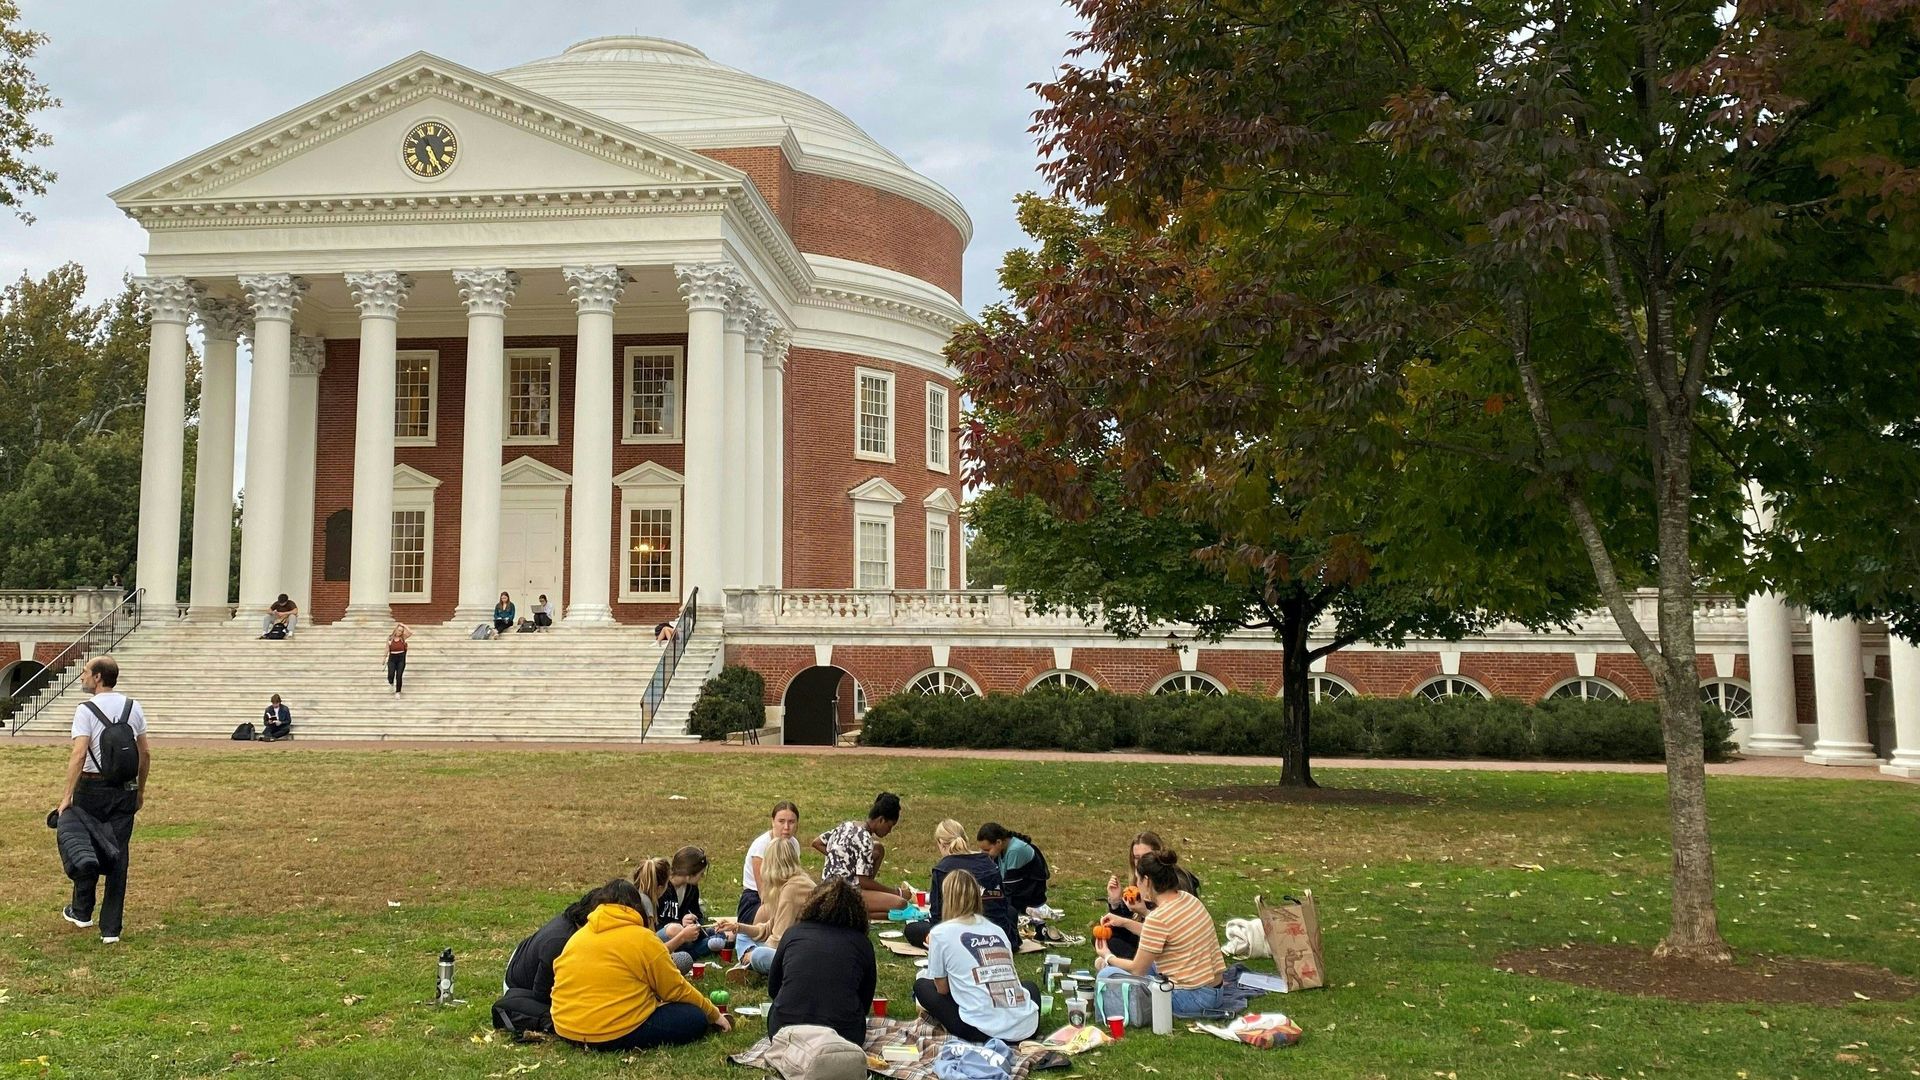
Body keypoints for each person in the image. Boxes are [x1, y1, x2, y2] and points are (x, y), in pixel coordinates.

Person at [550, 879, 731, 1050]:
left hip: (565, 1027)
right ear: (637, 908)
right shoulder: (643, 938)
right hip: (609, 1032)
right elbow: (675, 989)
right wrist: (712, 1013)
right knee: (695, 1017)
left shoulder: (578, 937)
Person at [57, 656, 149, 945]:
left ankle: (82, 911)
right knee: (118, 855)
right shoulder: (133, 708)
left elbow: (79, 754)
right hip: (124, 790)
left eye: (85, 672)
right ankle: (111, 930)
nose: (82, 677)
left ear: (98, 677)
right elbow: (145, 754)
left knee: (84, 848)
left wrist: (67, 795)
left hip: (91, 789)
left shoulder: (85, 710)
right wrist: (140, 790)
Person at [1094, 849, 1229, 1017]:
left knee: (1107, 974)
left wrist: (1107, 956)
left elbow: (1138, 970)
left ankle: (1108, 975)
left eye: (1138, 879)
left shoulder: (1158, 918)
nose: (1136, 884)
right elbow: (1165, 934)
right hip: (1215, 991)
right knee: (1144, 964)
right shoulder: (1187, 898)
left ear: (1147, 881)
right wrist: (1124, 922)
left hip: (1192, 998)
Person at [914, 871, 1041, 1044]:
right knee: (1028, 986)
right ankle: (1013, 1021)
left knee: (922, 985)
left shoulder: (940, 934)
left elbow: (942, 989)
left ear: (947, 898)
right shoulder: (997, 931)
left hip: (978, 1029)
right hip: (1024, 1027)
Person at [767, 878, 877, 1047]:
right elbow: (865, 1001)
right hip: (844, 1036)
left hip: (785, 1030)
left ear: (813, 903)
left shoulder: (793, 933)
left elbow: (773, 988)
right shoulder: (861, 943)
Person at [495, 883, 607, 1034]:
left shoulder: (570, 923)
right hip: (521, 990)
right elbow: (541, 993)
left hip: (521, 966)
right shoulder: (561, 942)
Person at [903, 819, 1015, 949]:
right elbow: (1001, 903)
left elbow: (937, 916)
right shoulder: (989, 863)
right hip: (996, 932)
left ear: (941, 844)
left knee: (912, 929)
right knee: (1011, 912)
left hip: (958, 934)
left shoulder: (942, 869)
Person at [716, 835, 813, 980]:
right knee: (743, 935)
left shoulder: (792, 889)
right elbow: (769, 928)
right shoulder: (789, 884)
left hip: (804, 954)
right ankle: (751, 966)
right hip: (793, 948)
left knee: (760, 955)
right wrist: (737, 927)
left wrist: (753, 954)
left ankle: (750, 964)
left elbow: (778, 940)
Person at [1102, 830, 1202, 961]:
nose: (1141, 862)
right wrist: (1115, 902)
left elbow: (1169, 929)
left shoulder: (1174, 881)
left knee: (1111, 950)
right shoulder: (1141, 879)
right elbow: (1132, 921)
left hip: (1168, 948)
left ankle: (1120, 966)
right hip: (1150, 936)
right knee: (1105, 935)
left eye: (1146, 856)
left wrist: (1143, 911)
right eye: (1136, 858)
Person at [812, 792, 910, 918]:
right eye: (889, 826)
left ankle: (855, 912)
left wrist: (841, 857)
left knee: (878, 848)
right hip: (845, 893)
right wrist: (897, 892)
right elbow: (864, 882)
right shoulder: (865, 839)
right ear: (881, 820)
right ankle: (852, 913)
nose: (889, 831)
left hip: (826, 888)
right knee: (900, 904)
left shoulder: (846, 826)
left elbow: (817, 842)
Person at [654, 847, 727, 960]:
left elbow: (697, 915)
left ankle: (708, 944)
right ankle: (699, 950)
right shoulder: (662, 888)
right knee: (675, 930)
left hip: (687, 935)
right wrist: (681, 923)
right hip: (666, 937)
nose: (702, 877)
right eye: (701, 874)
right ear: (690, 874)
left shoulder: (691, 888)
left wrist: (695, 921)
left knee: (718, 932)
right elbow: (656, 924)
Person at [632, 857, 703, 972]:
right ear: (660, 887)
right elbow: (652, 954)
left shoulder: (637, 897)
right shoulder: (645, 906)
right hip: (635, 964)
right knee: (684, 959)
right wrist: (683, 937)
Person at [738, 800, 800, 922]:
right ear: (773, 822)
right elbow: (764, 893)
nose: (786, 827)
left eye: (791, 822)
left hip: (783, 896)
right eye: (781, 821)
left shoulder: (794, 844)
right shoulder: (761, 847)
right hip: (757, 900)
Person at [976, 823, 1050, 916]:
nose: (984, 854)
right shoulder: (1000, 849)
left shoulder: (1015, 851)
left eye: (987, 850)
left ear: (998, 842)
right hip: (1014, 894)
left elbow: (1010, 890)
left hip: (1030, 899)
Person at [385, 623, 412, 695]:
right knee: (390, 674)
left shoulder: (403, 638)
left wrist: (404, 625)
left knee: (399, 675)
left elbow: (410, 632)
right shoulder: (390, 638)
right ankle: (391, 683)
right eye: (399, 630)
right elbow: (387, 648)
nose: (399, 632)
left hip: (401, 658)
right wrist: (384, 658)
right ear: (396, 629)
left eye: (401, 631)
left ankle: (398, 692)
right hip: (392, 658)